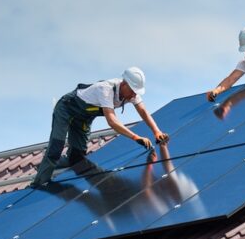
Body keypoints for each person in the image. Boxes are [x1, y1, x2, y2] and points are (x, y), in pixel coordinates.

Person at [31, 67, 168, 187]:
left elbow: (143, 111)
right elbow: (112, 121)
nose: (134, 95)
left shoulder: (131, 94)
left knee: (77, 157)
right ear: (124, 83)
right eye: (132, 90)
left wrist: (157, 131)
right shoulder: (106, 89)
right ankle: (39, 183)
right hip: (66, 109)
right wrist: (135, 137)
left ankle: (43, 166)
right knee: (56, 148)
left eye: (136, 92)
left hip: (84, 118)